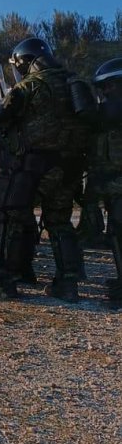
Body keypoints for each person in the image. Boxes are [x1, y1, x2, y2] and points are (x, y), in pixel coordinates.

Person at [0, 37, 91, 301]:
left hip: (35, 163)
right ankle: (68, 283)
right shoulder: (73, 82)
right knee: (60, 223)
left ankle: (5, 281)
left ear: (26, 62)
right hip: (69, 166)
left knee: (13, 218)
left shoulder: (29, 86)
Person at [87, 58, 122, 308]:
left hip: (118, 180)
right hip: (114, 181)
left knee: (119, 231)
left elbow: (99, 116)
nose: (104, 93)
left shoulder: (114, 109)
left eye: (108, 87)